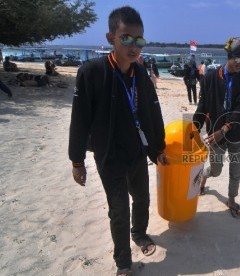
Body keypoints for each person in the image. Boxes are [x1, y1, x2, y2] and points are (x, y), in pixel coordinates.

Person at [68, 6, 167, 276]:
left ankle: (140, 234)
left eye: (139, 40)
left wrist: (157, 149)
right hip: (109, 155)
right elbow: (79, 120)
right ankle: (123, 262)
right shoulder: (92, 73)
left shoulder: (141, 76)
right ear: (111, 37)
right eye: (126, 38)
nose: (133, 46)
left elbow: (152, 113)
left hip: (136, 151)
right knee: (119, 210)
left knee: (143, 199)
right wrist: (77, 160)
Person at [193, 37, 240, 218]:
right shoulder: (210, 77)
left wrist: (225, 129)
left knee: (236, 170)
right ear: (230, 56)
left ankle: (232, 199)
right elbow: (203, 106)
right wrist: (194, 130)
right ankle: (204, 176)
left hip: (234, 134)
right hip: (214, 135)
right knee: (216, 170)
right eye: (238, 59)